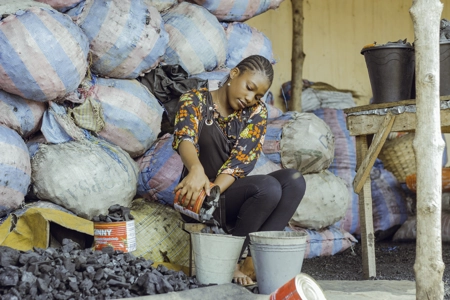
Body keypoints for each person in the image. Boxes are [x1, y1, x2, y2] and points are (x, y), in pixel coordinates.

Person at [172, 55, 306, 286]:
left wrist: (214, 190)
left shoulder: (256, 113)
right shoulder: (194, 99)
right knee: (267, 188)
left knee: (294, 181)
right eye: (249, 88)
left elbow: (241, 161)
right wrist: (196, 170)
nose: (250, 98)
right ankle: (230, 262)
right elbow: (185, 137)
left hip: (221, 193)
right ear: (234, 74)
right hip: (196, 199)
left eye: (257, 96)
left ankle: (253, 261)